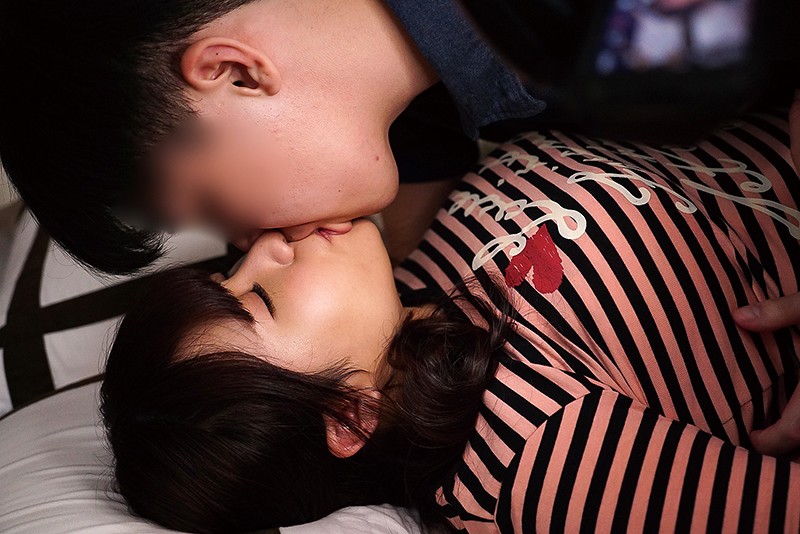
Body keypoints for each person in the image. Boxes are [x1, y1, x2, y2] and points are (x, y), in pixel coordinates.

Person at [101, 108, 800, 533]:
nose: (264, 247)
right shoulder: (532, 456)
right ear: (349, 417)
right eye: (259, 298)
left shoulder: (411, 281)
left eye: (226, 271)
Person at [1, 0, 795, 332]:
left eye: (213, 205)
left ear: (234, 72)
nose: (253, 241)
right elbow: (413, 282)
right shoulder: (414, 121)